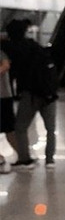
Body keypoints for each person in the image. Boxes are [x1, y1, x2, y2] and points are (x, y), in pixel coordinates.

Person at [3, 18, 58, 169]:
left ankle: (24, 159)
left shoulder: (11, 47)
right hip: (49, 93)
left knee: (20, 127)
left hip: (31, 94)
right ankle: (50, 160)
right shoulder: (35, 46)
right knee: (50, 129)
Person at [0, 45, 18, 173]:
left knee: (9, 128)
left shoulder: (1, 53)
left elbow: (6, 65)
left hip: (4, 96)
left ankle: (21, 155)